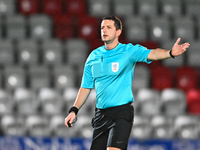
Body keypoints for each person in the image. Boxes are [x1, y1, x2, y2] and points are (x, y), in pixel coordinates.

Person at [65, 15, 190, 150]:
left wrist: (170, 53)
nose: (104, 30)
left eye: (108, 27)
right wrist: (74, 110)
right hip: (101, 115)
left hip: (121, 112)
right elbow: (85, 87)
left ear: (118, 32)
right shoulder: (93, 56)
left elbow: (152, 54)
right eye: (102, 28)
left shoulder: (128, 51)